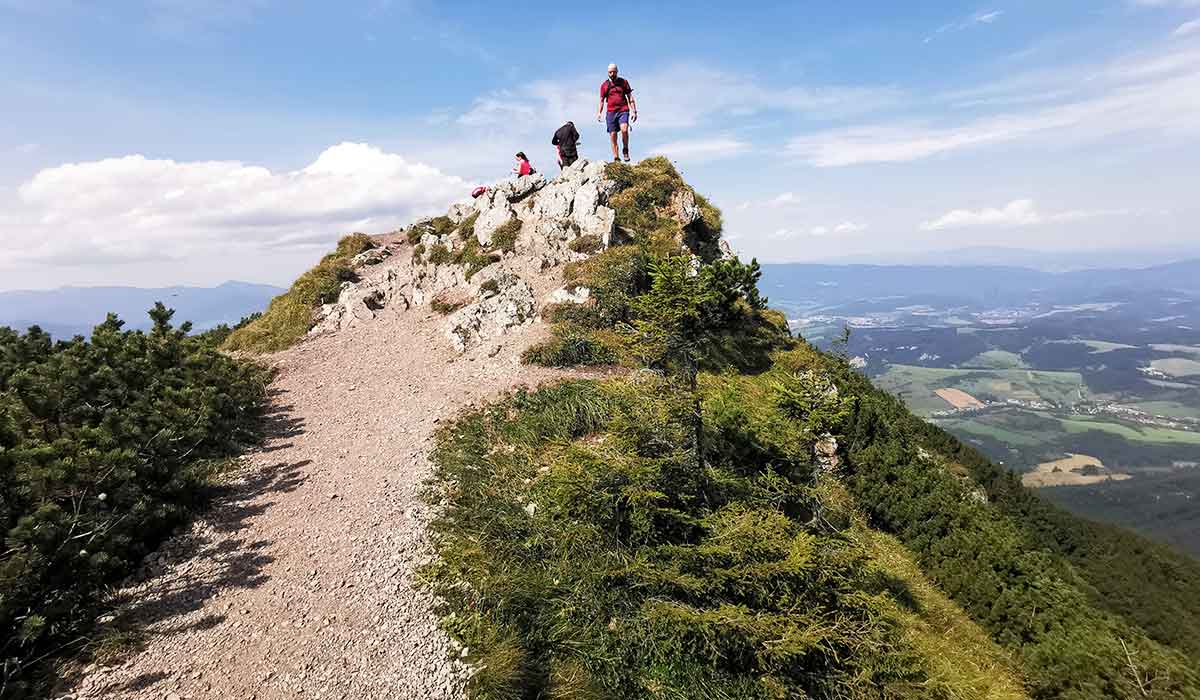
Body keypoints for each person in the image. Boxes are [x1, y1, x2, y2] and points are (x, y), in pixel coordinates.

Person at [597, 63, 637, 162]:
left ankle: (625, 150)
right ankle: (616, 157)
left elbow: (630, 97)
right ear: (608, 73)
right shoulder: (604, 85)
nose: (612, 74)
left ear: (617, 72)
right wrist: (599, 112)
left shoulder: (623, 82)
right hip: (611, 112)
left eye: (614, 72)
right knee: (613, 135)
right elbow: (601, 100)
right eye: (610, 72)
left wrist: (634, 111)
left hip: (623, 110)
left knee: (624, 130)